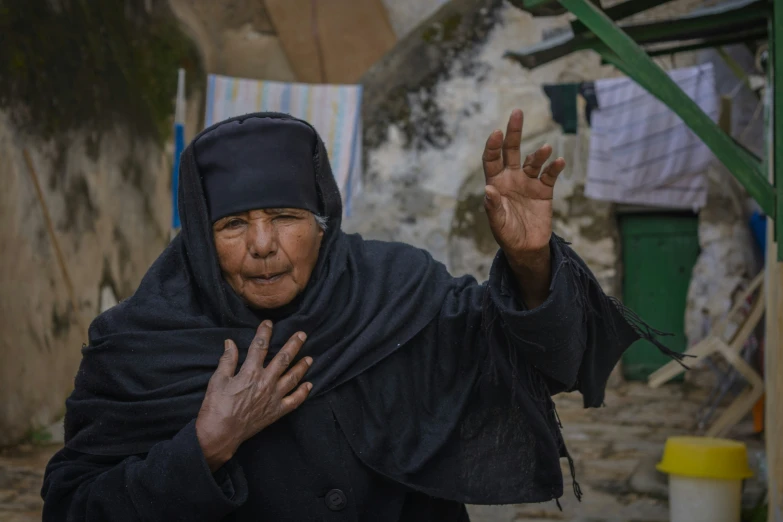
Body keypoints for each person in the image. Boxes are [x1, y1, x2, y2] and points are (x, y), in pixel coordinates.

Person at [41, 110, 677, 521]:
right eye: (233, 225)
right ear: (200, 242)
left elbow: (543, 361)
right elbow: (73, 508)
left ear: (324, 223)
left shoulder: (395, 291)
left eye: (286, 218)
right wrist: (205, 446)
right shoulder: (139, 343)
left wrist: (531, 260)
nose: (262, 245)